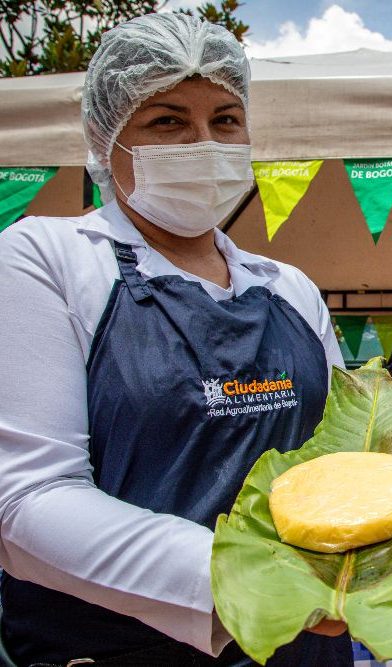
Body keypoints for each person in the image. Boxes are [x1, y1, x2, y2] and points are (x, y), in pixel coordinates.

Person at [0, 13, 351, 667]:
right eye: (167, 120)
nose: (203, 141)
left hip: (303, 649)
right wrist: (244, 581)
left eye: (224, 119)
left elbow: (339, 465)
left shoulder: (292, 289)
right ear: (108, 137)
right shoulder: (45, 259)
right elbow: (27, 500)